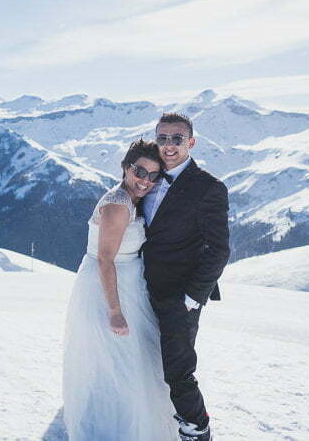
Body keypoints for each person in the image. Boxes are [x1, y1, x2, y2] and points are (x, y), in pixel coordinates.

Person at [62, 139, 178, 441]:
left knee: (125, 362)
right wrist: (115, 312)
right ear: (127, 167)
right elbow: (104, 260)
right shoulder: (117, 205)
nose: (146, 181)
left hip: (126, 284)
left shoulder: (130, 199)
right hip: (110, 290)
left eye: (154, 175)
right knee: (122, 363)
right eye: (140, 171)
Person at [142, 112, 230, 441]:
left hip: (180, 295)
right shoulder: (145, 175)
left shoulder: (209, 187)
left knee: (178, 368)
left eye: (176, 138)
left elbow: (219, 249)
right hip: (140, 286)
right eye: (162, 138)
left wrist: (193, 298)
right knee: (143, 356)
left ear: (190, 143)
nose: (168, 145)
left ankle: (196, 429)